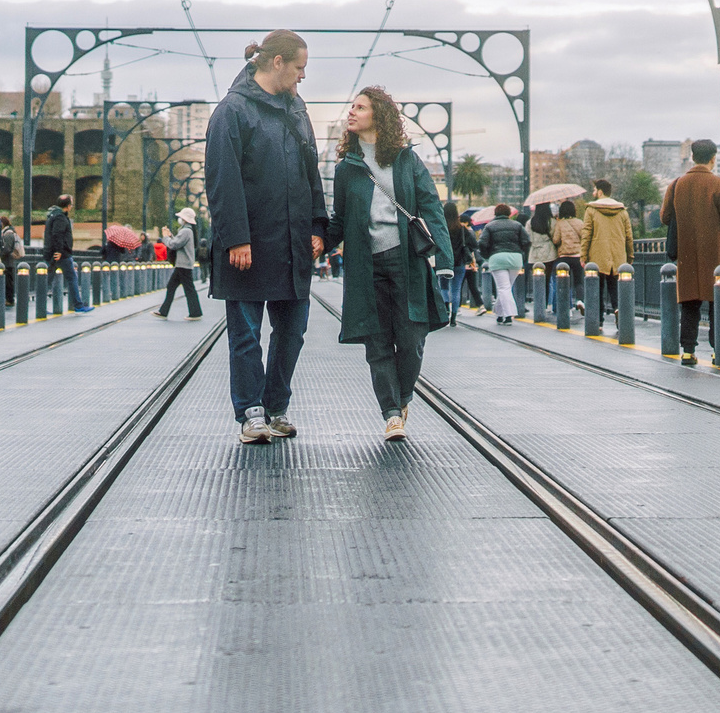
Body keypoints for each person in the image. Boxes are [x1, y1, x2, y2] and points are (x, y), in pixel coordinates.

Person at [205, 31, 328, 444]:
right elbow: (222, 179)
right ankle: (251, 412)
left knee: (292, 333)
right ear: (277, 62)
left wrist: (318, 226)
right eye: (299, 68)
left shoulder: (297, 111)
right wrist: (236, 238)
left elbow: (312, 174)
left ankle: (276, 407)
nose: (302, 76)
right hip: (248, 247)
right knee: (246, 335)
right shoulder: (232, 111)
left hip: (293, 244)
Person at [332, 86, 453, 440]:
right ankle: (391, 414)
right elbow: (340, 219)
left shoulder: (406, 160)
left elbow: (431, 207)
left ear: (379, 115)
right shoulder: (346, 168)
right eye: (352, 106)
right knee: (378, 341)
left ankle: (402, 398)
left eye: (360, 107)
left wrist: (444, 259)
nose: (352, 112)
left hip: (407, 261)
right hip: (366, 265)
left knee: (412, 338)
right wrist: (318, 241)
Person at [659, 140, 720, 367]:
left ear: (693, 157)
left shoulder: (676, 185)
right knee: (719, 302)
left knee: (689, 302)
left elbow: (665, 217)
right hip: (716, 253)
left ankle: (688, 351)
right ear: (713, 158)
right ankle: (719, 350)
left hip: (687, 252)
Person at [582, 179, 633, 314]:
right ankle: (618, 311)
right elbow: (629, 236)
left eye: (594, 190)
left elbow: (586, 234)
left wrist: (583, 255)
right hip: (618, 255)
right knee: (615, 287)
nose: (593, 193)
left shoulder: (591, 210)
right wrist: (630, 255)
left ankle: (598, 319)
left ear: (600, 192)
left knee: (597, 288)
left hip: (597, 256)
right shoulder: (622, 211)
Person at [480, 204, 530, 323]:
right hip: (515, 258)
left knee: (503, 288)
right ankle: (499, 313)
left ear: (495, 213)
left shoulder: (489, 226)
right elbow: (526, 241)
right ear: (509, 213)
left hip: (497, 258)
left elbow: (482, 243)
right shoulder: (517, 225)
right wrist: (522, 254)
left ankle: (508, 315)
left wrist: (487, 255)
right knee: (506, 288)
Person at [158, 206, 204, 319]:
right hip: (183, 264)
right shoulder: (187, 230)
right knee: (174, 286)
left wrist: (165, 237)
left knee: (186, 288)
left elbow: (174, 244)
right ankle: (164, 311)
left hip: (183, 265)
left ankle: (195, 313)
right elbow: (178, 242)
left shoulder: (185, 231)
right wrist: (170, 236)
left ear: (184, 219)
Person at [45, 195, 83, 312]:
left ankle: (41, 307)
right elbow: (58, 234)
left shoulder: (53, 215)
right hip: (62, 254)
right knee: (72, 278)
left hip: (52, 252)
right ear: (68, 206)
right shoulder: (60, 217)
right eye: (71, 204)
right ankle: (78, 305)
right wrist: (59, 251)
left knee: (47, 279)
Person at [551, 199, 587, 310]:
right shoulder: (580, 222)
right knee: (579, 281)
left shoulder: (560, 224)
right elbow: (585, 238)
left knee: (564, 282)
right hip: (577, 256)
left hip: (563, 257)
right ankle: (580, 301)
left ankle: (566, 307)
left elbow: (556, 240)